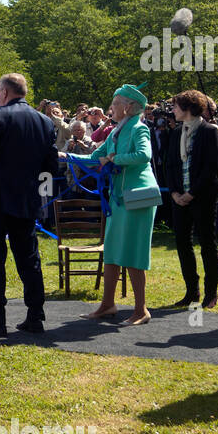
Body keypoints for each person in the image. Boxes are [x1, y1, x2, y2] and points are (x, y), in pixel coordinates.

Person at [0, 72, 58, 336]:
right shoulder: (45, 122)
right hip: (27, 200)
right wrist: (40, 194)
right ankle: (35, 316)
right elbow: (50, 167)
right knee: (29, 259)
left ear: (4, 92)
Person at [65, 83, 159, 326]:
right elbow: (95, 157)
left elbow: (143, 156)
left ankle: (141, 310)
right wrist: (67, 156)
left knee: (133, 252)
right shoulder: (116, 131)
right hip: (119, 197)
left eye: (115, 103)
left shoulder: (139, 129)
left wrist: (115, 158)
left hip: (139, 195)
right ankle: (108, 305)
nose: (110, 108)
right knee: (113, 250)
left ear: (128, 107)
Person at [164, 90, 218, 309]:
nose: (173, 110)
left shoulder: (209, 131)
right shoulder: (176, 132)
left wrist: (191, 193)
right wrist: (174, 193)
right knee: (182, 242)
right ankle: (191, 290)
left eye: (176, 106)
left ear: (188, 108)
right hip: (179, 197)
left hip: (202, 196)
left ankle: (211, 292)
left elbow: (211, 167)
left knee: (207, 242)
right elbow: (169, 165)